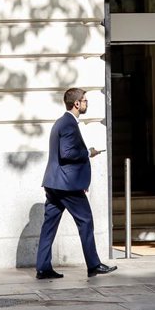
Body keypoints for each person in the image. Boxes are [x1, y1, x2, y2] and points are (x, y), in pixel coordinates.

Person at [35, 87, 117, 280]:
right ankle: (93, 265)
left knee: (49, 226)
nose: (87, 103)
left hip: (54, 183)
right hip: (66, 185)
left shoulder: (61, 122)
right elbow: (68, 153)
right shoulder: (69, 124)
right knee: (85, 220)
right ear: (76, 103)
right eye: (85, 100)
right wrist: (88, 152)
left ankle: (43, 268)